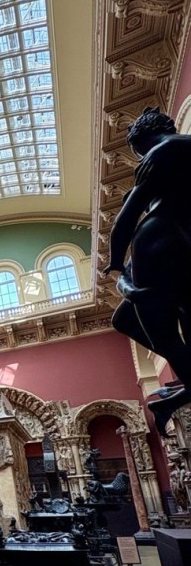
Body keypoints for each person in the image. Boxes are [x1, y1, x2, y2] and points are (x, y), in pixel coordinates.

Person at [103, 107, 191, 435]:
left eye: (135, 149)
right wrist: (124, 278)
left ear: (141, 138)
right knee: (124, 318)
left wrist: (115, 260)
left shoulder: (163, 151)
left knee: (162, 332)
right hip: (170, 246)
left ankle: (185, 385)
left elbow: (127, 216)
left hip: (159, 245)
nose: (137, 156)